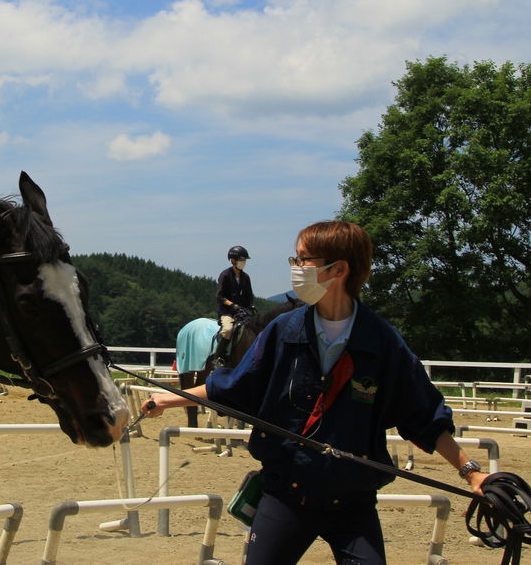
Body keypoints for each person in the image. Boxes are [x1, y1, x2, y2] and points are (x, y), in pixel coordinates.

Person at [142, 221, 488, 564]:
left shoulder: (382, 341)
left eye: (303, 259)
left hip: (353, 502)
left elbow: (424, 415)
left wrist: (471, 471)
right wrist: (169, 398)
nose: (295, 268)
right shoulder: (282, 329)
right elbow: (236, 384)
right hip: (285, 495)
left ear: (337, 269)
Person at [214, 245, 254, 365]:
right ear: (233, 260)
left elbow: (249, 296)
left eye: (244, 260)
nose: (243, 263)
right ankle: (218, 358)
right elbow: (219, 296)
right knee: (228, 330)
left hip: (242, 311)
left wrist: (251, 306)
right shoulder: (225, 275)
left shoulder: (246, 277)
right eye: (241, 260)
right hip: (227, 312)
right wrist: (232, 305)